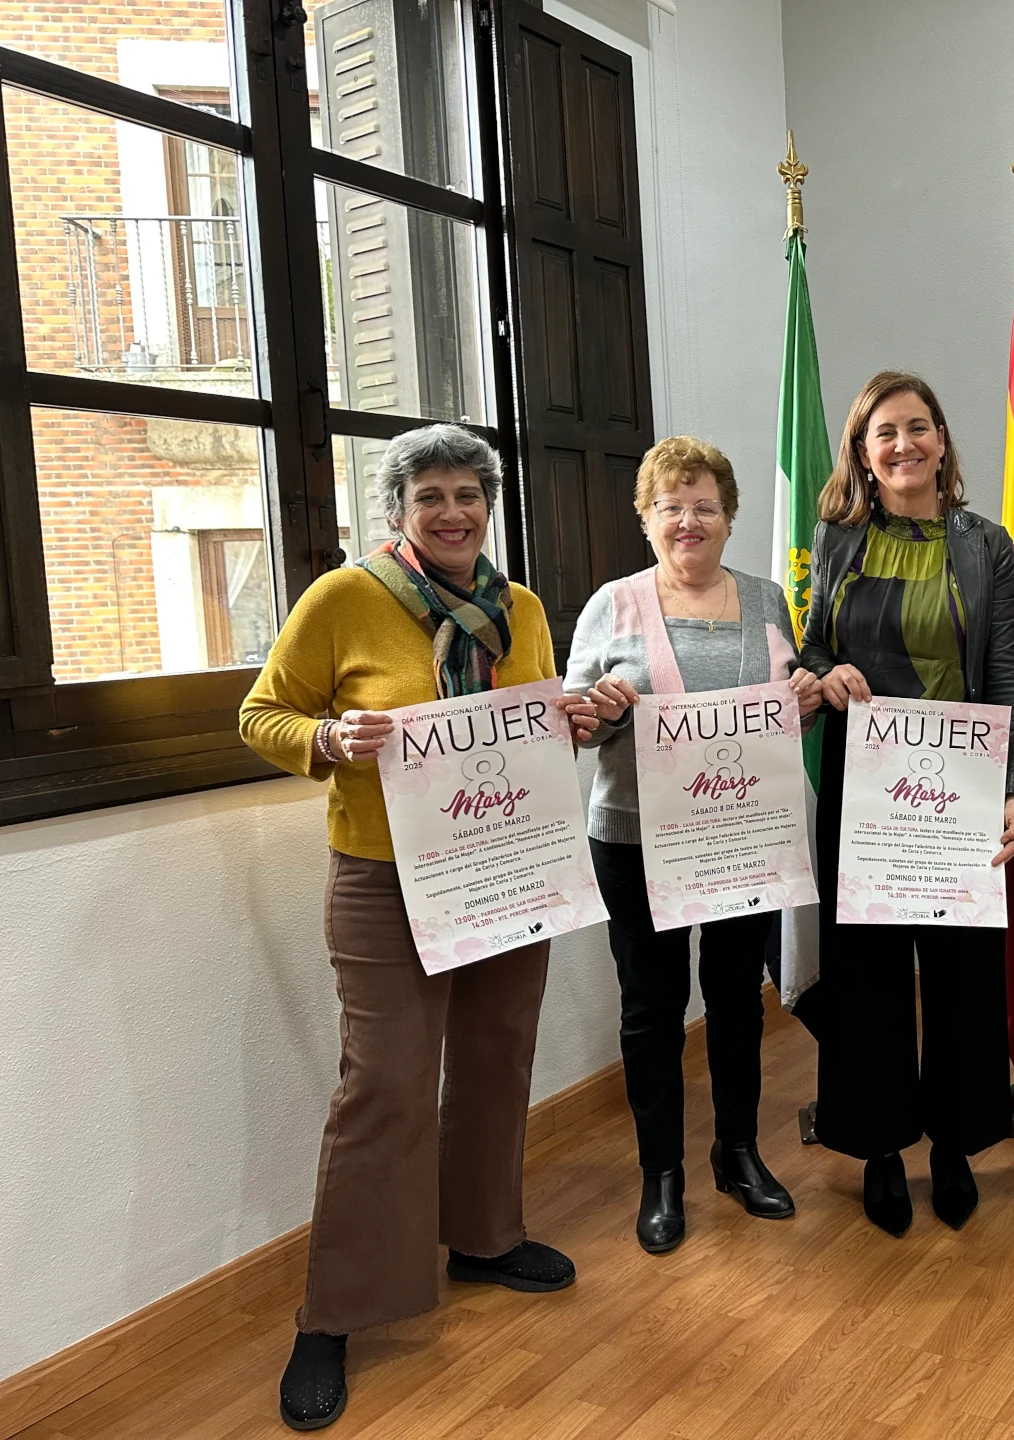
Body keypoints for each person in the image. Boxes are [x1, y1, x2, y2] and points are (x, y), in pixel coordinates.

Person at [239, 425, 599, 1432]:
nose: (452, 512)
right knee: (385, 1086)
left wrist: (572, 718)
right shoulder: (345, 599)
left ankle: (485, 1239)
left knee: (495, 1057)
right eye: (430, 495)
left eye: (468, 496)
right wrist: (324, 736)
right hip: (385, 880)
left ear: (489, 507)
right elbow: (261, 713)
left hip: (506, 862)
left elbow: (530, 712)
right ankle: (335, 1312)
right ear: (397, 509)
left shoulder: (517, 607)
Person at [564, 435, 821, 1255]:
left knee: (737, 999)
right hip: (637, 838)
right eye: (670, 506)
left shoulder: (770, 599)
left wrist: (805, 701)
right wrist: (598, 708)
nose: (689, 521)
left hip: (741, 833)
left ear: (729, 517)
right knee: (652, 1009)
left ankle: (737, 1152)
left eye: (705, 506)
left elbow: (784, 707)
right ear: (645, 517)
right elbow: (573, 724)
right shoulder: (612, 604)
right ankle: (661, 1174)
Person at [798, 370, 1014, 1237]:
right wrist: (824, 675)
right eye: (885, 432)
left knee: (965, 975)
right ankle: (883, 1146)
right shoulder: (834, 538)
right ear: (863, 450)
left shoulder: (986, 543)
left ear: (942, 440)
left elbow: (1005, 669)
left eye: (918, 428)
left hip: (962, 789)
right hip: (866, 790)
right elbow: (812, 648)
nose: (904, 445)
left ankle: (956, 1145)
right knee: (868, 978)